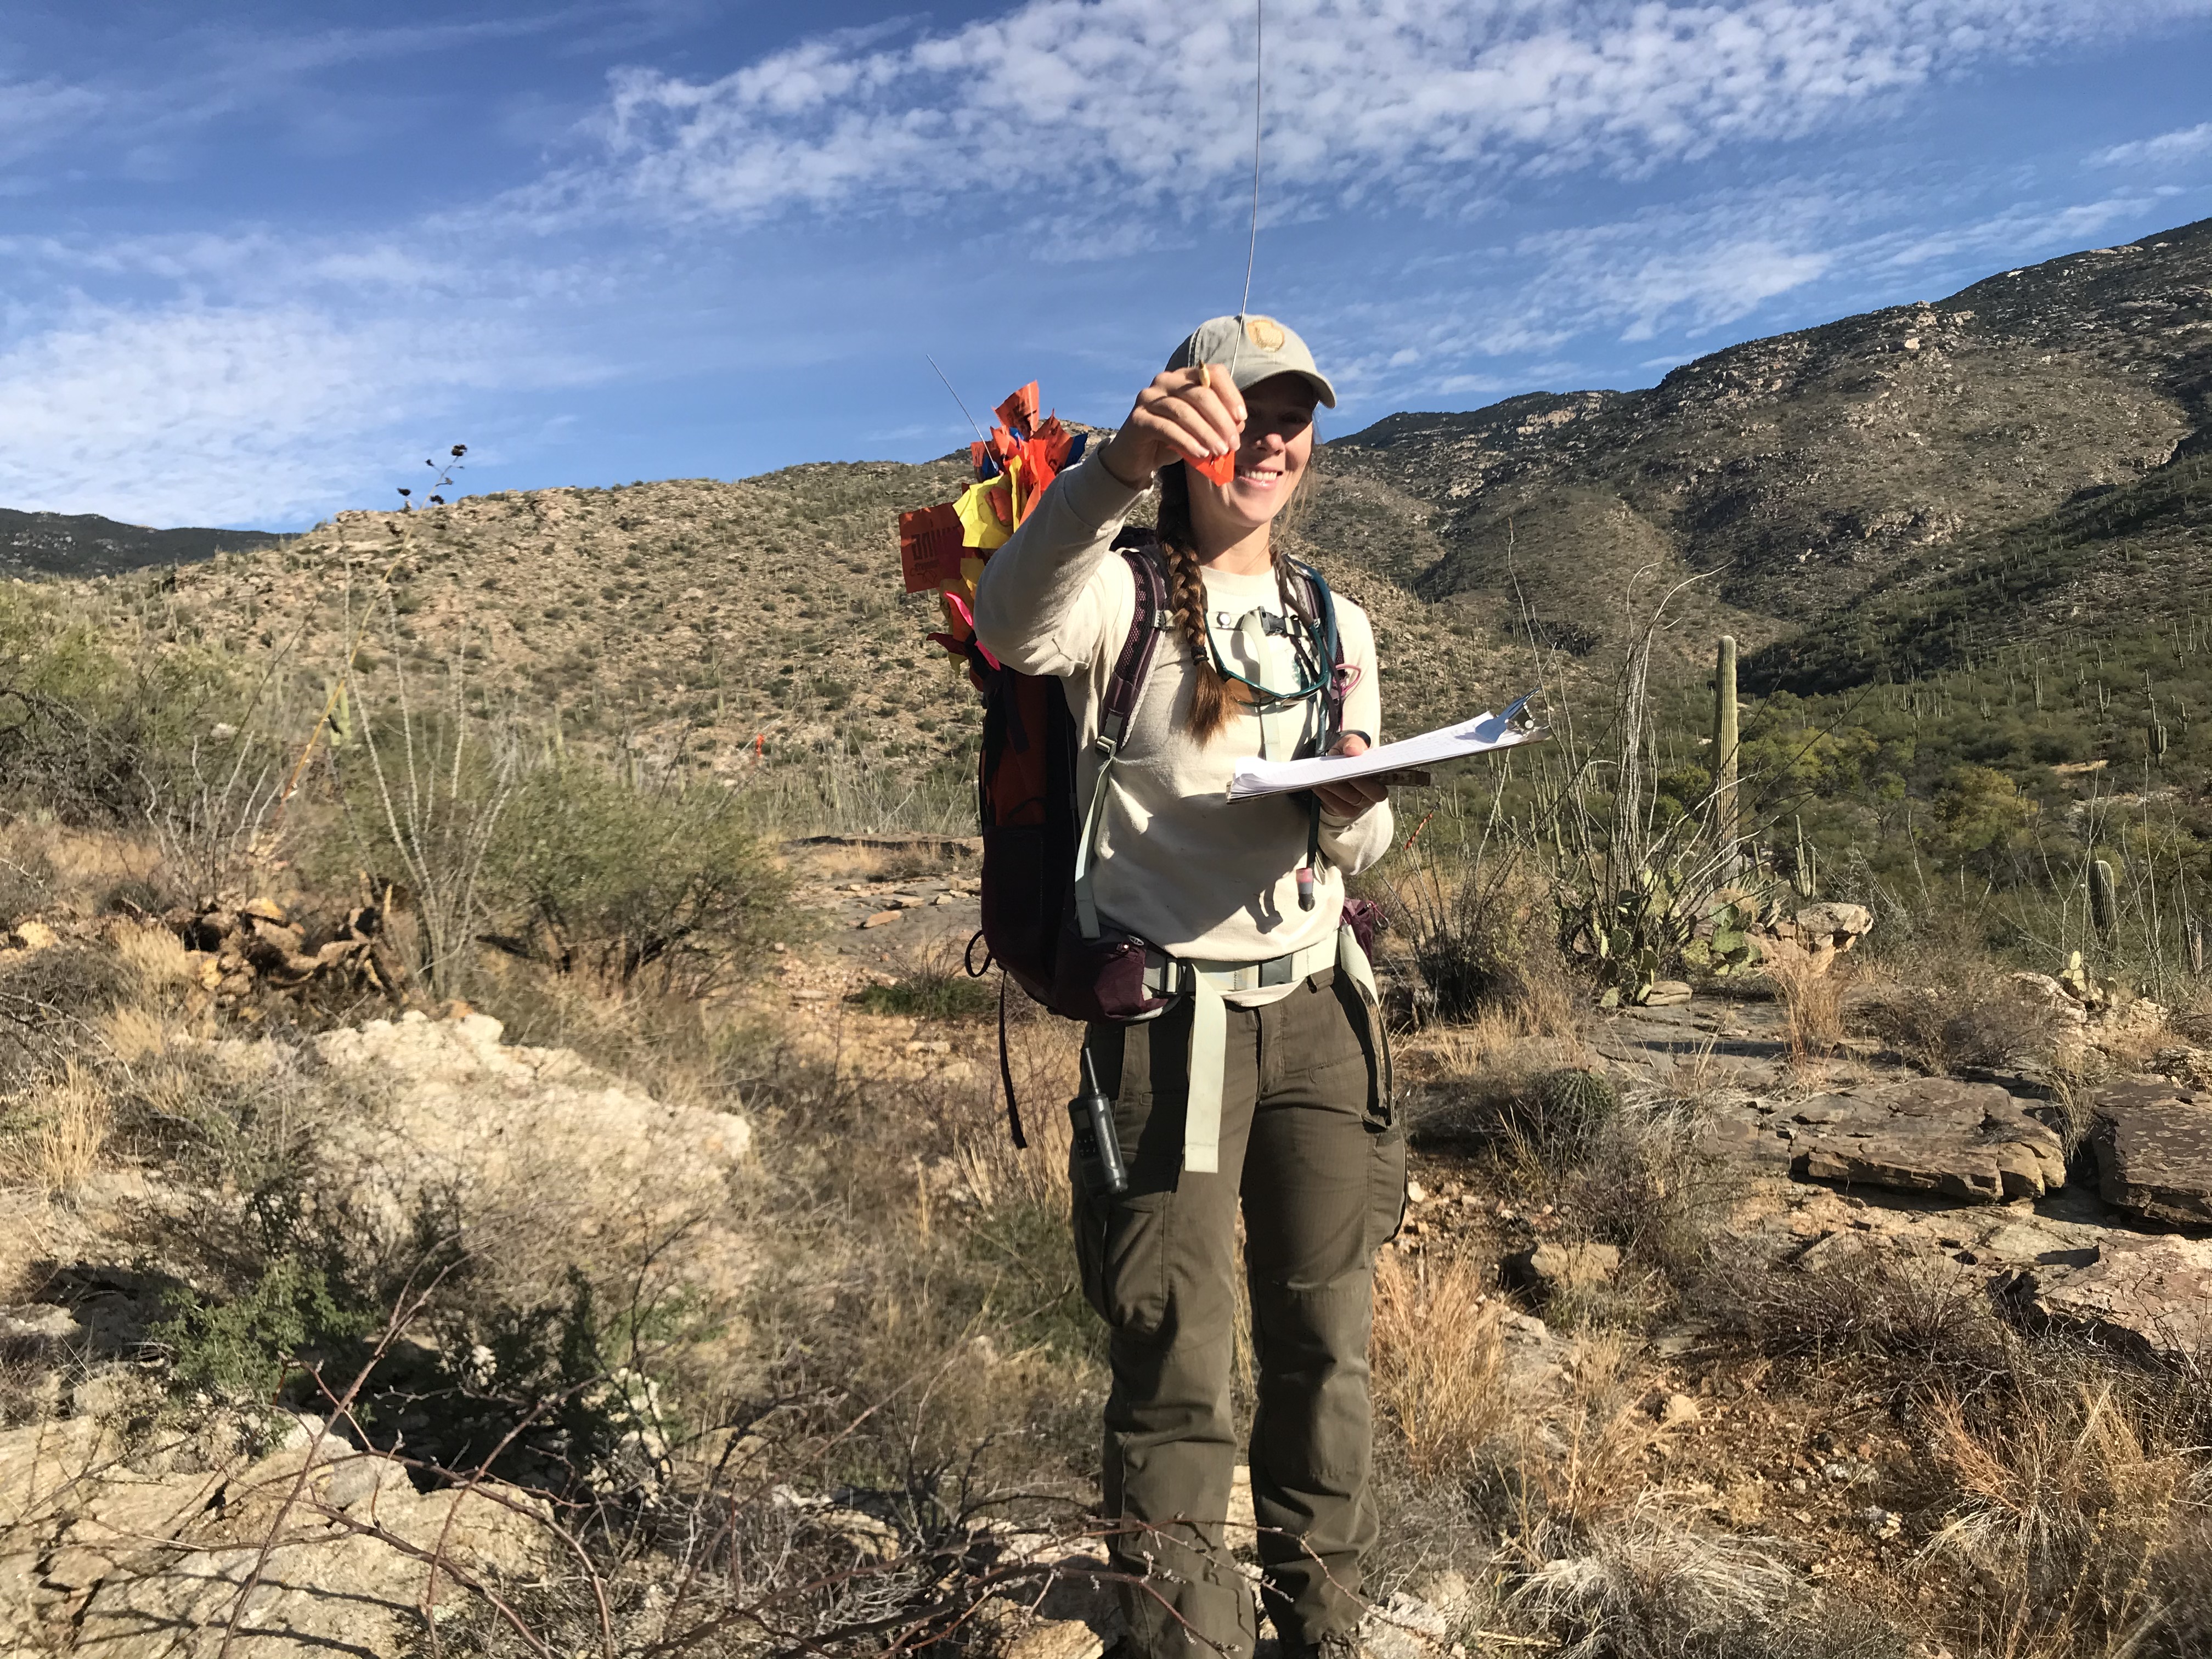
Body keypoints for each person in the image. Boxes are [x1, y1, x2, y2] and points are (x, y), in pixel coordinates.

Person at [973, 315, 1404, 1659]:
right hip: (1169, 1030)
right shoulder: (1123, 590)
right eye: (1241, 411)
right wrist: (1105, 473)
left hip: (1322, 1015)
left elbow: (1365, 841)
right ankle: (1184, 1638)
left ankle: (1320, 1626)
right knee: (1175, 1362)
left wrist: (1353, 804)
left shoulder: (1339, 619)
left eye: (1294, 416)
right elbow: (1012, 623)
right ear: (1185, 426)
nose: (1268, 438)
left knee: (1326, 1341)